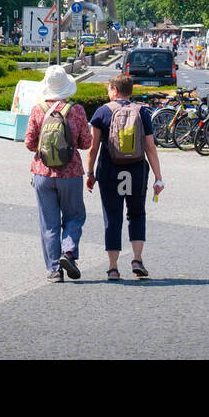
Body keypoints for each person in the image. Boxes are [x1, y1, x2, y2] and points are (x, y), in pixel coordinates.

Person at [86, 74, 164, 280]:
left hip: (109, 171)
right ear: (130, 92)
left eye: (109, 89)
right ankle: (137, 259)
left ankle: (113, 267)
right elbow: (150, 147)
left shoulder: (102, 112)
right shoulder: (143, 112)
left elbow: (93, 148)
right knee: (137, 214)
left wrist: (90, 173)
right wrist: (158, 177)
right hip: (137, 170)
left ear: (114, 90)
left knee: (112, 217)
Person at [24, 65, 93, 283]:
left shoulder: (38, 109)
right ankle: (69, 252)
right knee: (75, 216)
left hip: (43, 174)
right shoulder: (77, 110)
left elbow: (29, 143)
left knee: (49, 222)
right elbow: (86, 143)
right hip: (71, 173)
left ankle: (54, 270)